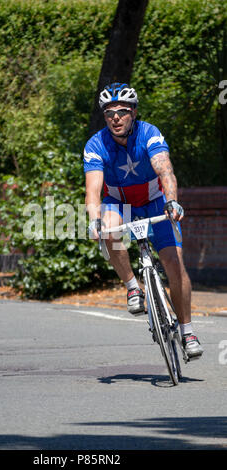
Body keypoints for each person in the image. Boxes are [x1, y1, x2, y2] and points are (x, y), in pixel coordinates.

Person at [83, 83, 203, 359]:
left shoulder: (150, 133)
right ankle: (132, 286)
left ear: (133, 112)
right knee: (109, 231)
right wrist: (94, 220)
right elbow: (92, 190)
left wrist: (172, 200)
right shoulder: (96, 144)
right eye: (109, 112)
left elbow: (166, 171)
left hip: (154, 201)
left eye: (122, 111)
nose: (115, 117)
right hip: (118, 201)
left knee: (175, 264)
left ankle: (188, 330)